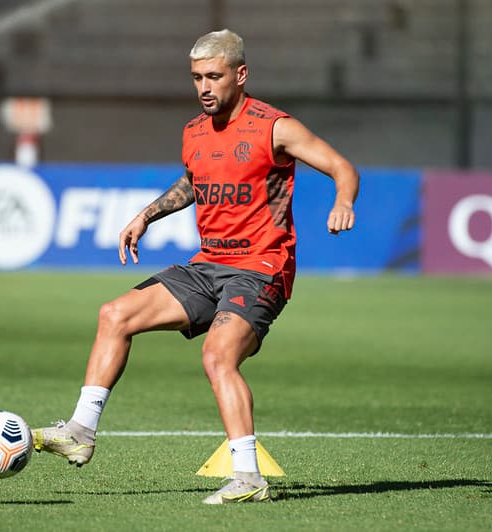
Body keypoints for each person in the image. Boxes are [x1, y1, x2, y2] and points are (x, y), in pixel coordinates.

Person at [31, 28, 359, 504]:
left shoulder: (274, 127)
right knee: (114, 315)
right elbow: (193, 181)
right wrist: (146, 215)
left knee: (217, 357)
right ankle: (81, 430)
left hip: (261, 267)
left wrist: (343, 201)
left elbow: (341, 167)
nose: (204, 87)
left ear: (240, 75)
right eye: (196, 78)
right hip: (208, 265)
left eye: (214, 76)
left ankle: (248, 478)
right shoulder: (195, 132)